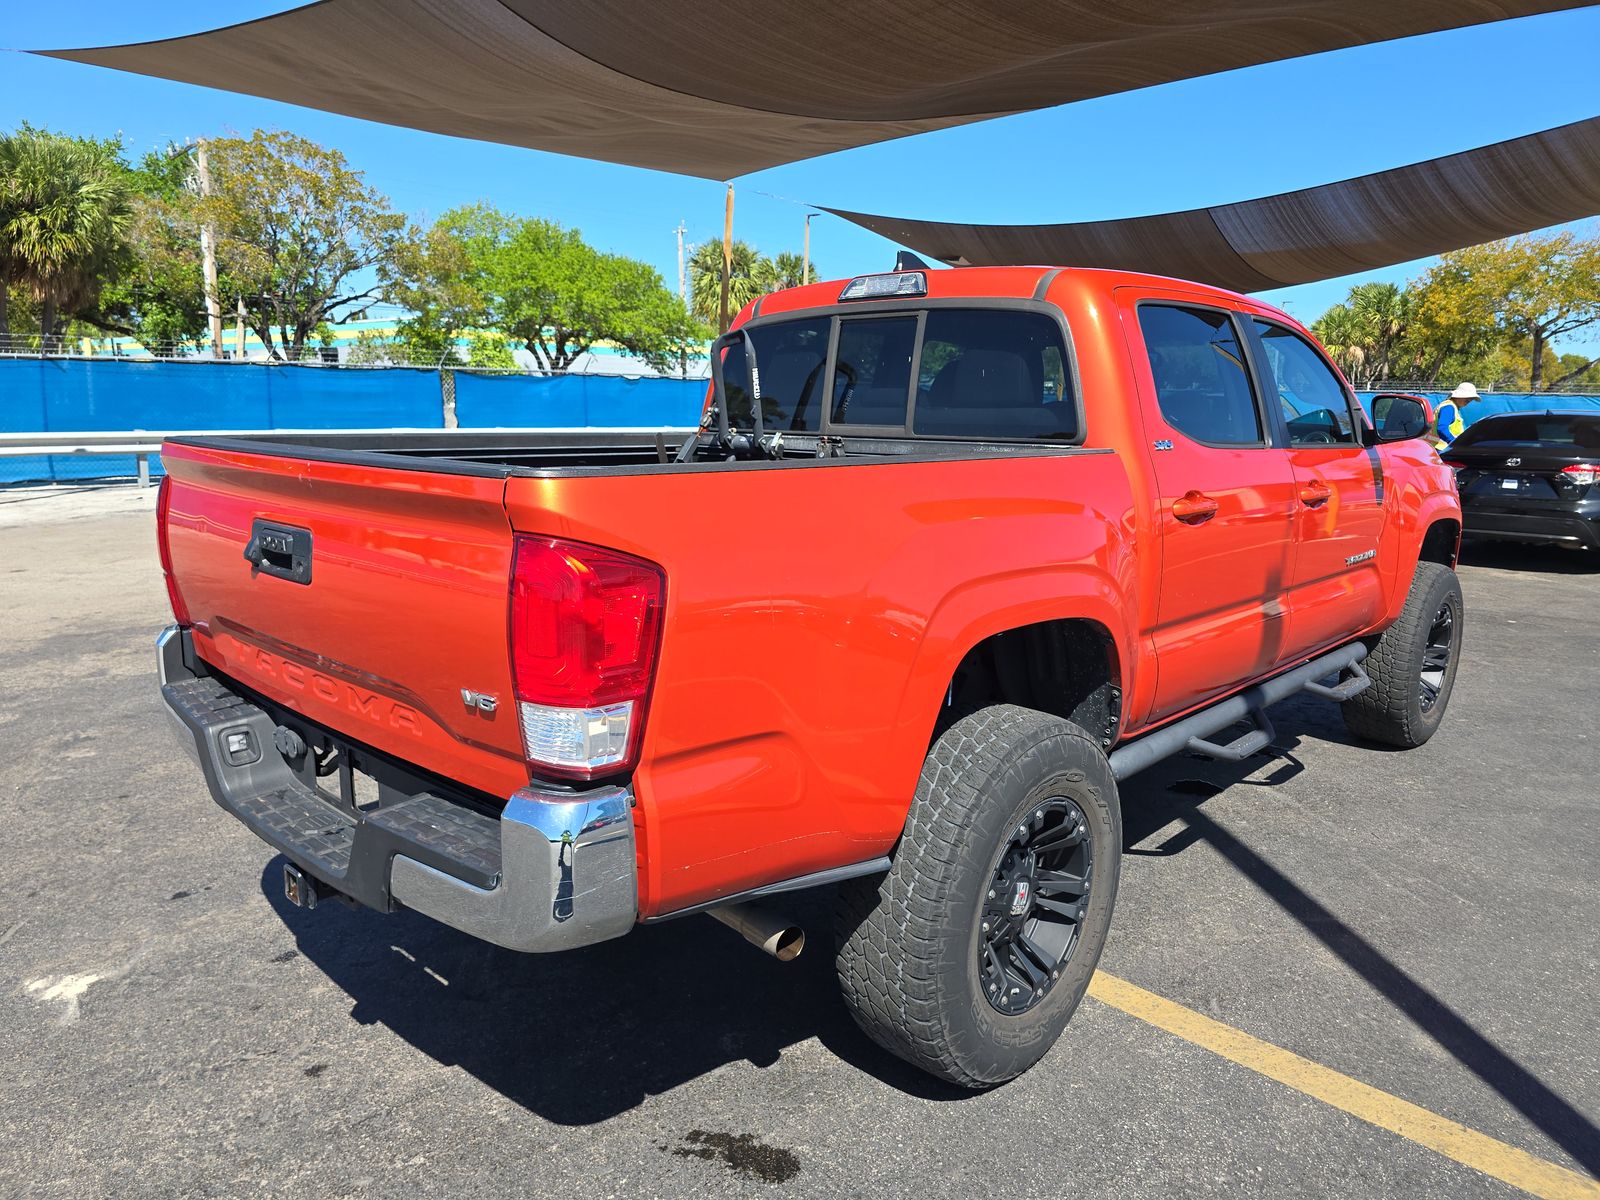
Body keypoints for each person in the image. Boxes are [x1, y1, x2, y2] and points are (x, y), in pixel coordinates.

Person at [1433, 382, 1479, 448]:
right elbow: (1442, 428)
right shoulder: (1449, 407)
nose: (1469, 400)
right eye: (1467, 397)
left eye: (1472, 398)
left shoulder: (1452, 407)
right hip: (1441, 449)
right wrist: (1455, 443)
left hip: (1441, 448)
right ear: (1459, 395)